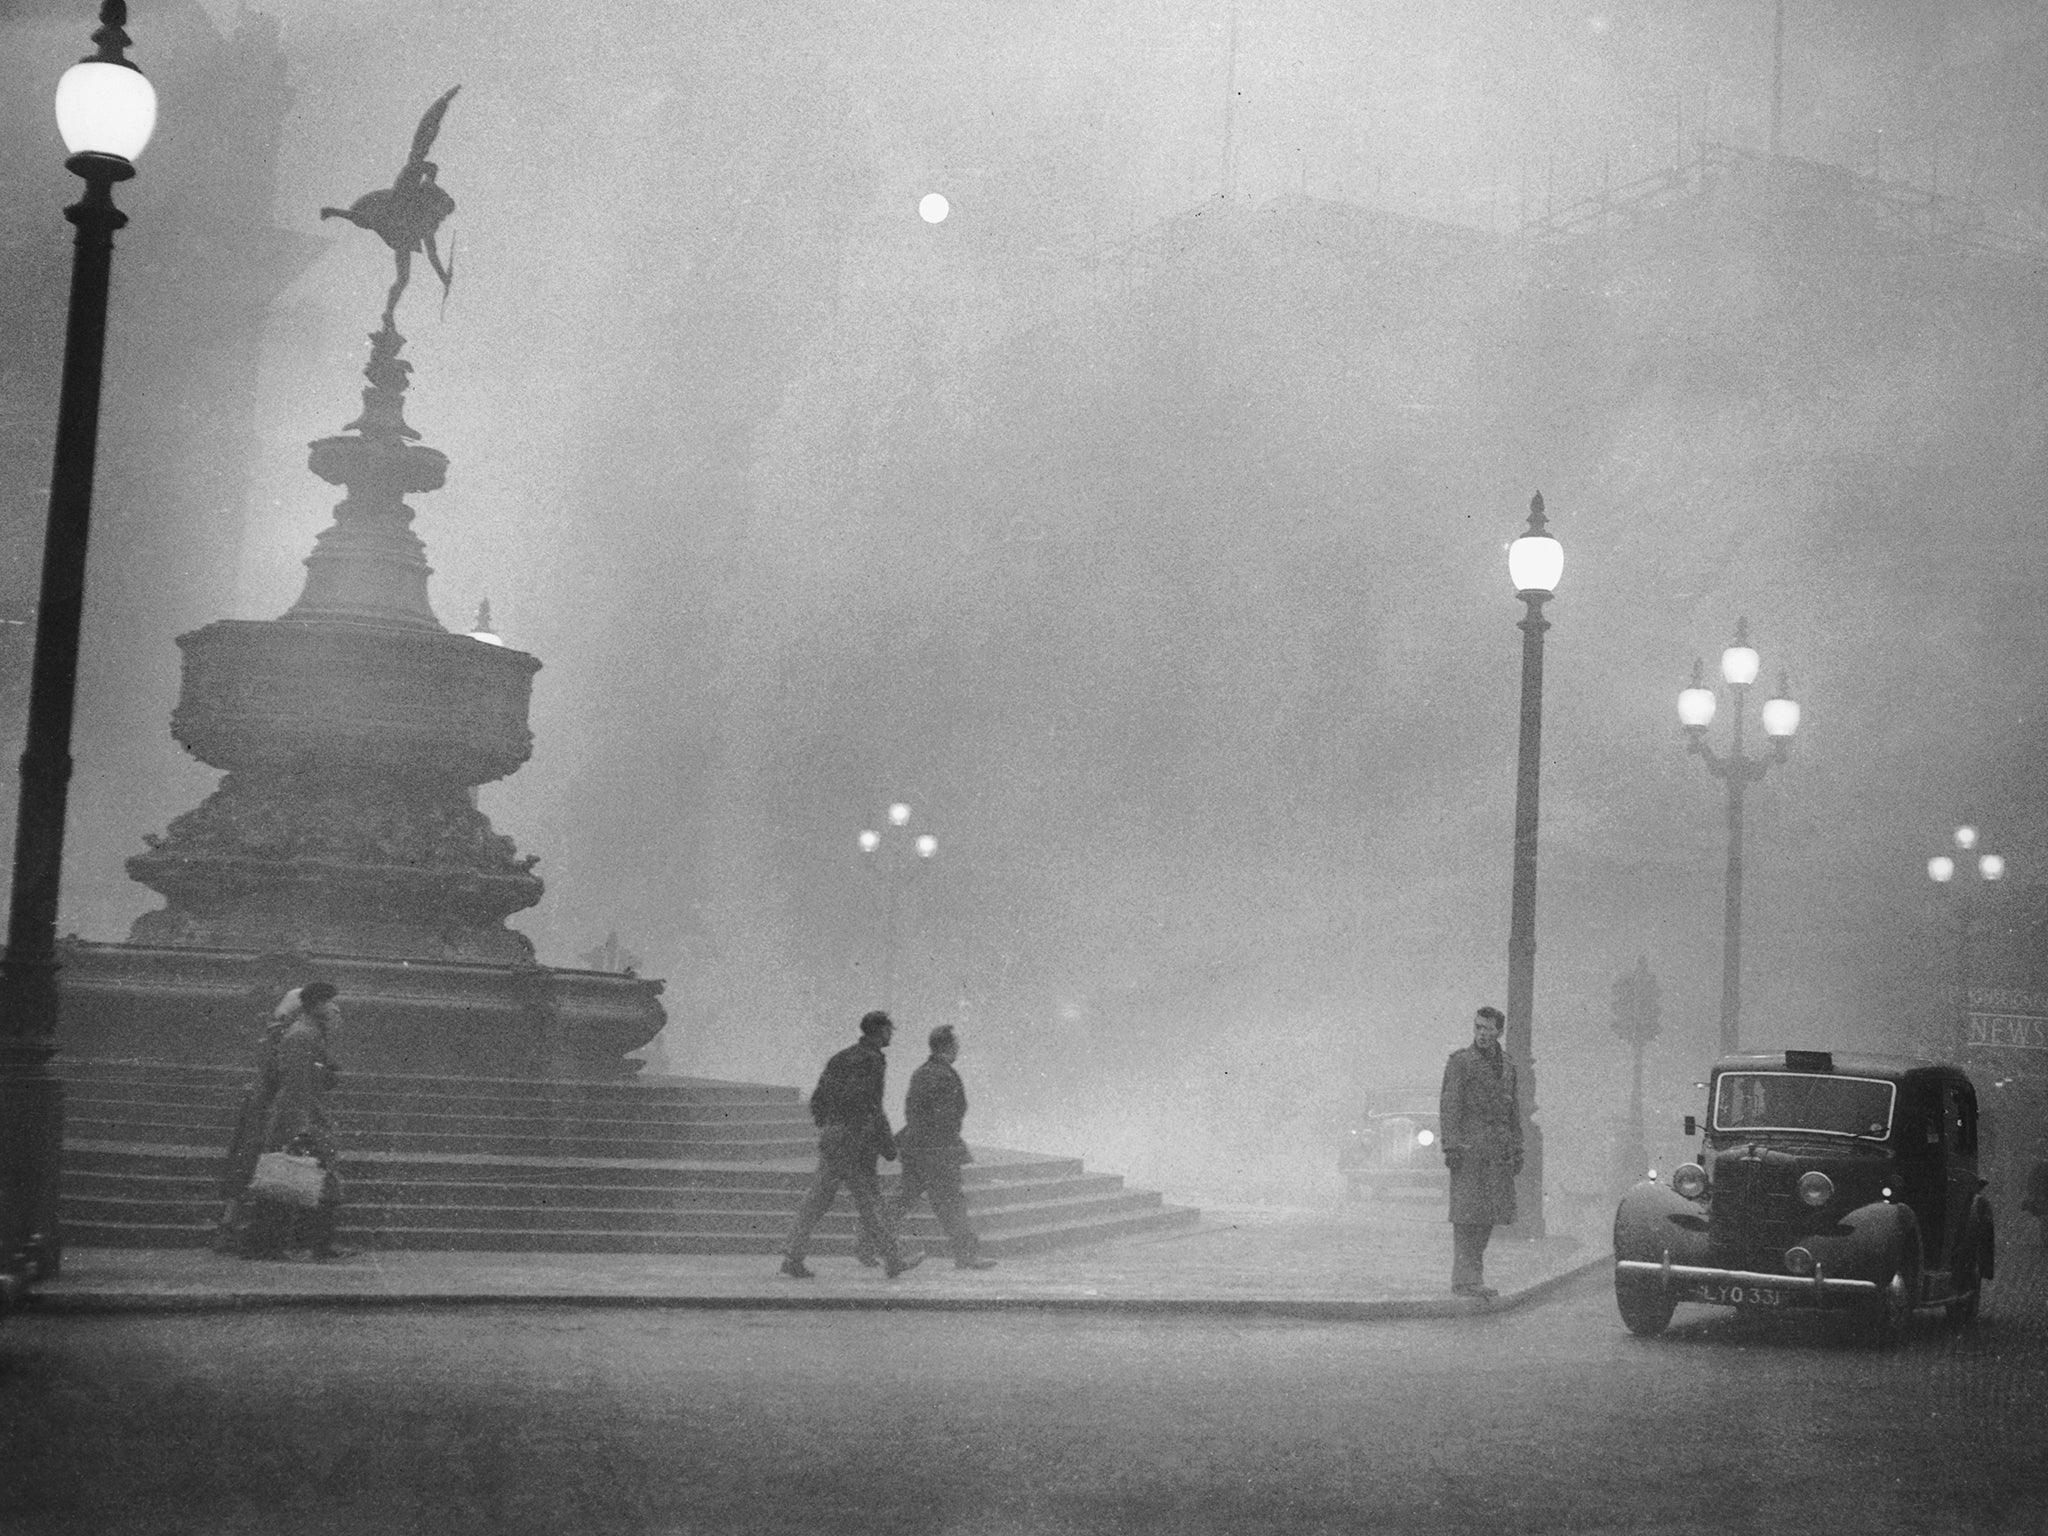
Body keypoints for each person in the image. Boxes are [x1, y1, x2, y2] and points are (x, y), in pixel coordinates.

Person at [779, 1010, 923, 1279]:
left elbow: (818, 1100)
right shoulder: (872, 1060)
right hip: (857, 1144)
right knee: (871, 1202)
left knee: (818, 1201)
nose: (891, 1034)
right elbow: (872, 1106)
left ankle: (792, 1254)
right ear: (879, 1031)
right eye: (889, 1030)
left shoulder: (841, 1057)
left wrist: (832, 1126)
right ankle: (893, 1259)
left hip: (834, 1138)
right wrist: (888, 1144)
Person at [218, 983, 349, 1260]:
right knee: (284, 1182)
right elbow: (295, 1088)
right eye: (328, 1002)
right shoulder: (302, 1036)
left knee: (301, 1181)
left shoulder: (310, 1034)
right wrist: (299, 1127)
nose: (334, 1007)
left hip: (304, 1115)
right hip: (302, 1118)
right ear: (314, 1005)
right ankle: (273, 1245)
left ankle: (304, 1244)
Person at [872, 1025, 997, 1271]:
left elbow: (913, 1112)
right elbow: (950, 1117)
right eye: (956, 1044)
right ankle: (965, 1255)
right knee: (952, 1203)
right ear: (948, 1047)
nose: (959, 1048)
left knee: (903, 1199)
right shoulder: (945, 1075)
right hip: (939, 1152)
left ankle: (867, 1242)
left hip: (916, 1148)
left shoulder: (921, 1072)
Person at [1439, 1004, 1523, 1300]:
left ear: (1499, 1031)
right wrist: (1451, 1145)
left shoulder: (1509, 1066)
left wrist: (1517, 1148)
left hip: (1497, 1152)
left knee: (1487, 1217)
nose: (1482, 1034)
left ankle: (1473, 1278)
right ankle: (1465, 1281)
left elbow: (1513, 1112)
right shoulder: (1461, 1063)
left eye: (1488, 1029)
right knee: (1467, 1218)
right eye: (1477, 1028)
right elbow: (1450, 1106)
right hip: (1470, 1152)